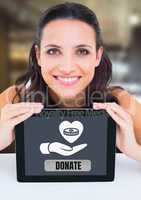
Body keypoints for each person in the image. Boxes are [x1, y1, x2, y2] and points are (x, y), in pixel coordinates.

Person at [0, 2, 141, 162]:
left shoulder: (120, 102)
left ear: (97, 56)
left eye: (82, 51)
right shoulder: (14, 99)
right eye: (53, 51)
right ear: (39, 56)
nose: (67, 68)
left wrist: (134, 150)